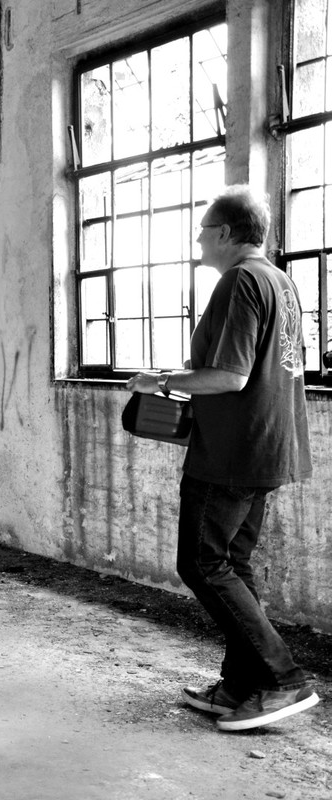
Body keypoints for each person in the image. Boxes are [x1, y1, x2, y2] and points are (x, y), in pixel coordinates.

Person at [127, 185, 318, 732]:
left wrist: (159, 380)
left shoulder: (240, 280)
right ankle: (242, 684)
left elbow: (231, 376)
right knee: (232, 562)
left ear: (227, 233)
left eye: (203, 231)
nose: (198, 241)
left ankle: (283, 678)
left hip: (232, 453)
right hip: (268, 446)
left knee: (202, 563)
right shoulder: (280, 281)